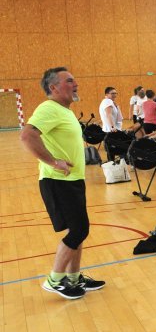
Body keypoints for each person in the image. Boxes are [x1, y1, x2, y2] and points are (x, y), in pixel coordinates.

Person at [19, 67, 105, 300]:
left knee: (78, 230)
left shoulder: (64, 111)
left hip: (73, 180)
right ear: (53, 87)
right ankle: (55, 279)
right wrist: (53, 162)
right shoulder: (49, 108)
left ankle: (74, 278)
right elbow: (27, 136)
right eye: (69, 80)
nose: (75, 83)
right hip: (57, 181)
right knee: (79, 229)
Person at [99, 86, 124, 161]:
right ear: (106, 94)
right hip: (112, 130)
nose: (114, 95)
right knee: (116, 149)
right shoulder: (107, 101)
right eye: (112, 93)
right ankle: (116, 166)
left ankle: (113, 165)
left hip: (110, 130)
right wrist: (112, 127)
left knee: (112, 150)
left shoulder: (108, 102)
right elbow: (108, 114)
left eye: (115, 93)